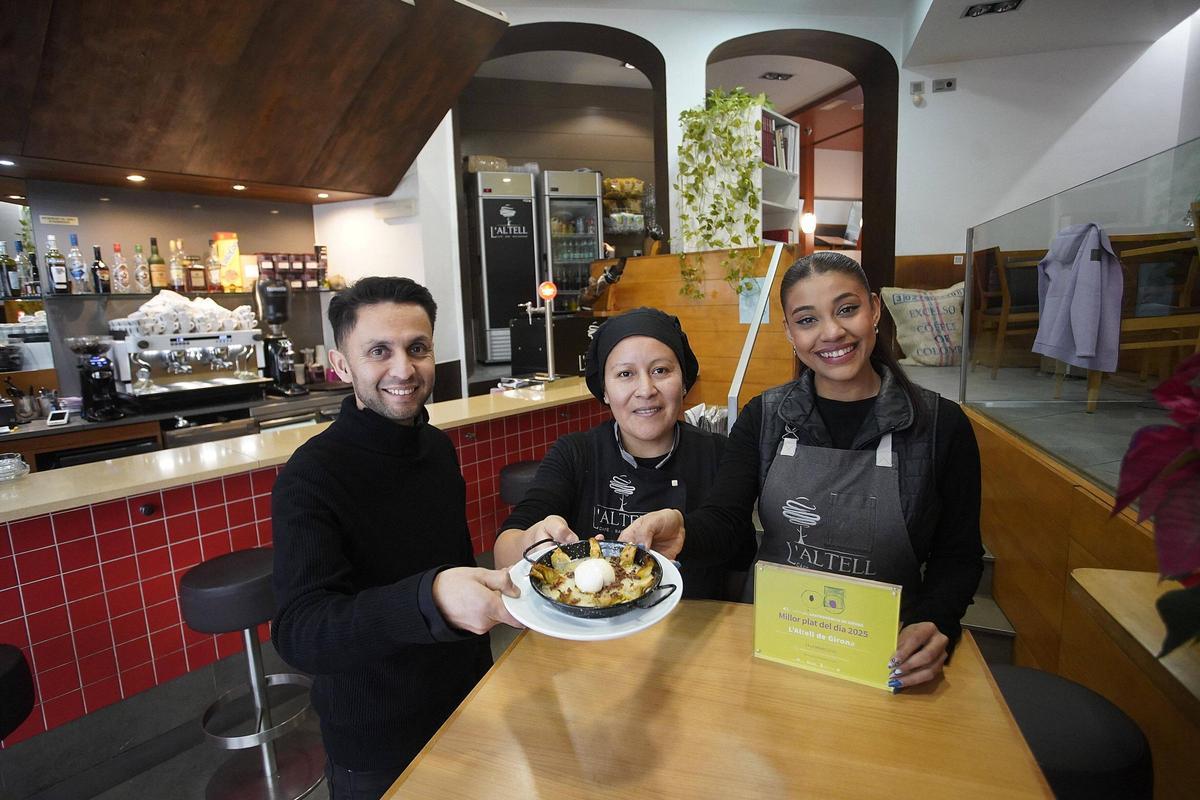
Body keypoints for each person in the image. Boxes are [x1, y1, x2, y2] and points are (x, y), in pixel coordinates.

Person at [622, 252, 983, 690]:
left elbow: (958, 555)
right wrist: (683, 529)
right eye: (807, 320)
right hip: (775, 638)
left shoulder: (940, 425)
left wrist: (936, 620)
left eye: (847, 309)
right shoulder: (766, 416)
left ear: (874, 309)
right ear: (790, 333)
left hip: (885, 653)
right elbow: (725, 518)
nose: (832, 332)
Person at [271, 277, 523, 799]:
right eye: (378, 352)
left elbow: (452, 569)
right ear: (342, 366)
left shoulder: (436, 448)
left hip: (470, 705)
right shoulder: (312, 475)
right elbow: (301, 632)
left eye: (418, 348)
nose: (403, 370)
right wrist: (428, 600)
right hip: (377, 742)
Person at [493, 307, 755, 599]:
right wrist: (531, 539)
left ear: (683, 381)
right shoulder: (576, 453)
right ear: (604, 390)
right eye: (625, 374)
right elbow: (505, 550)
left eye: (661, 370)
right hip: (592, 632)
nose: (646, 389)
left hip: (693, 629)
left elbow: (740, 559)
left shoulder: (719, 455)